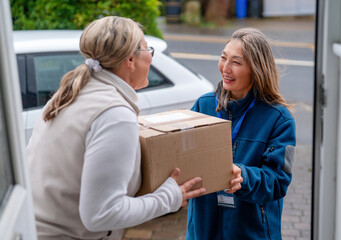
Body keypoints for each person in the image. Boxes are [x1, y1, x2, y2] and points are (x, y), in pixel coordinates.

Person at [27, 16, 210, 240]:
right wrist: (169, 197)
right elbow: (101, 214)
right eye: (147, 49)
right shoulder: (114, 114)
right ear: (131, 60)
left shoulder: (71, 94)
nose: (151, 57)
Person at [186, 28, 296, 240]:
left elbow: (279, 181)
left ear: (256, 69)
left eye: (236, 62)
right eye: (223, 58)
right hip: (202, 230)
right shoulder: (204, 105)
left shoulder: (279, 119)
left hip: (250, 232)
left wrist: (243, 177)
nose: (225, 68)